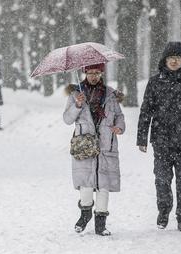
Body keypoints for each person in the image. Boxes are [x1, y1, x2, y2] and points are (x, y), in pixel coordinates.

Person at [137, 42, 181, 233]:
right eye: (171, 58)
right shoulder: (155, 82)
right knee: (162, 179)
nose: (174, 61)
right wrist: (142, 138)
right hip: (161, 140)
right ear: (165, 60)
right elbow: (146, 111)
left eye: (178, 57)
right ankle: (164, 210)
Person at [63, 63, 125, 236]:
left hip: (106, 144)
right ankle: (85, 213)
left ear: (101, 73)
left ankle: (101, 224)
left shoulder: (110, 94)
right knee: (86, 185)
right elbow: (67, 119)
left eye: (97, 72)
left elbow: (119, 116)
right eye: (90, 73)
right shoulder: (76, 93)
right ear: (85, 73)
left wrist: (119, 127)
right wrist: (77, 105)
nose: (93, 76)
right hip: (85, 145)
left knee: (104, 186)